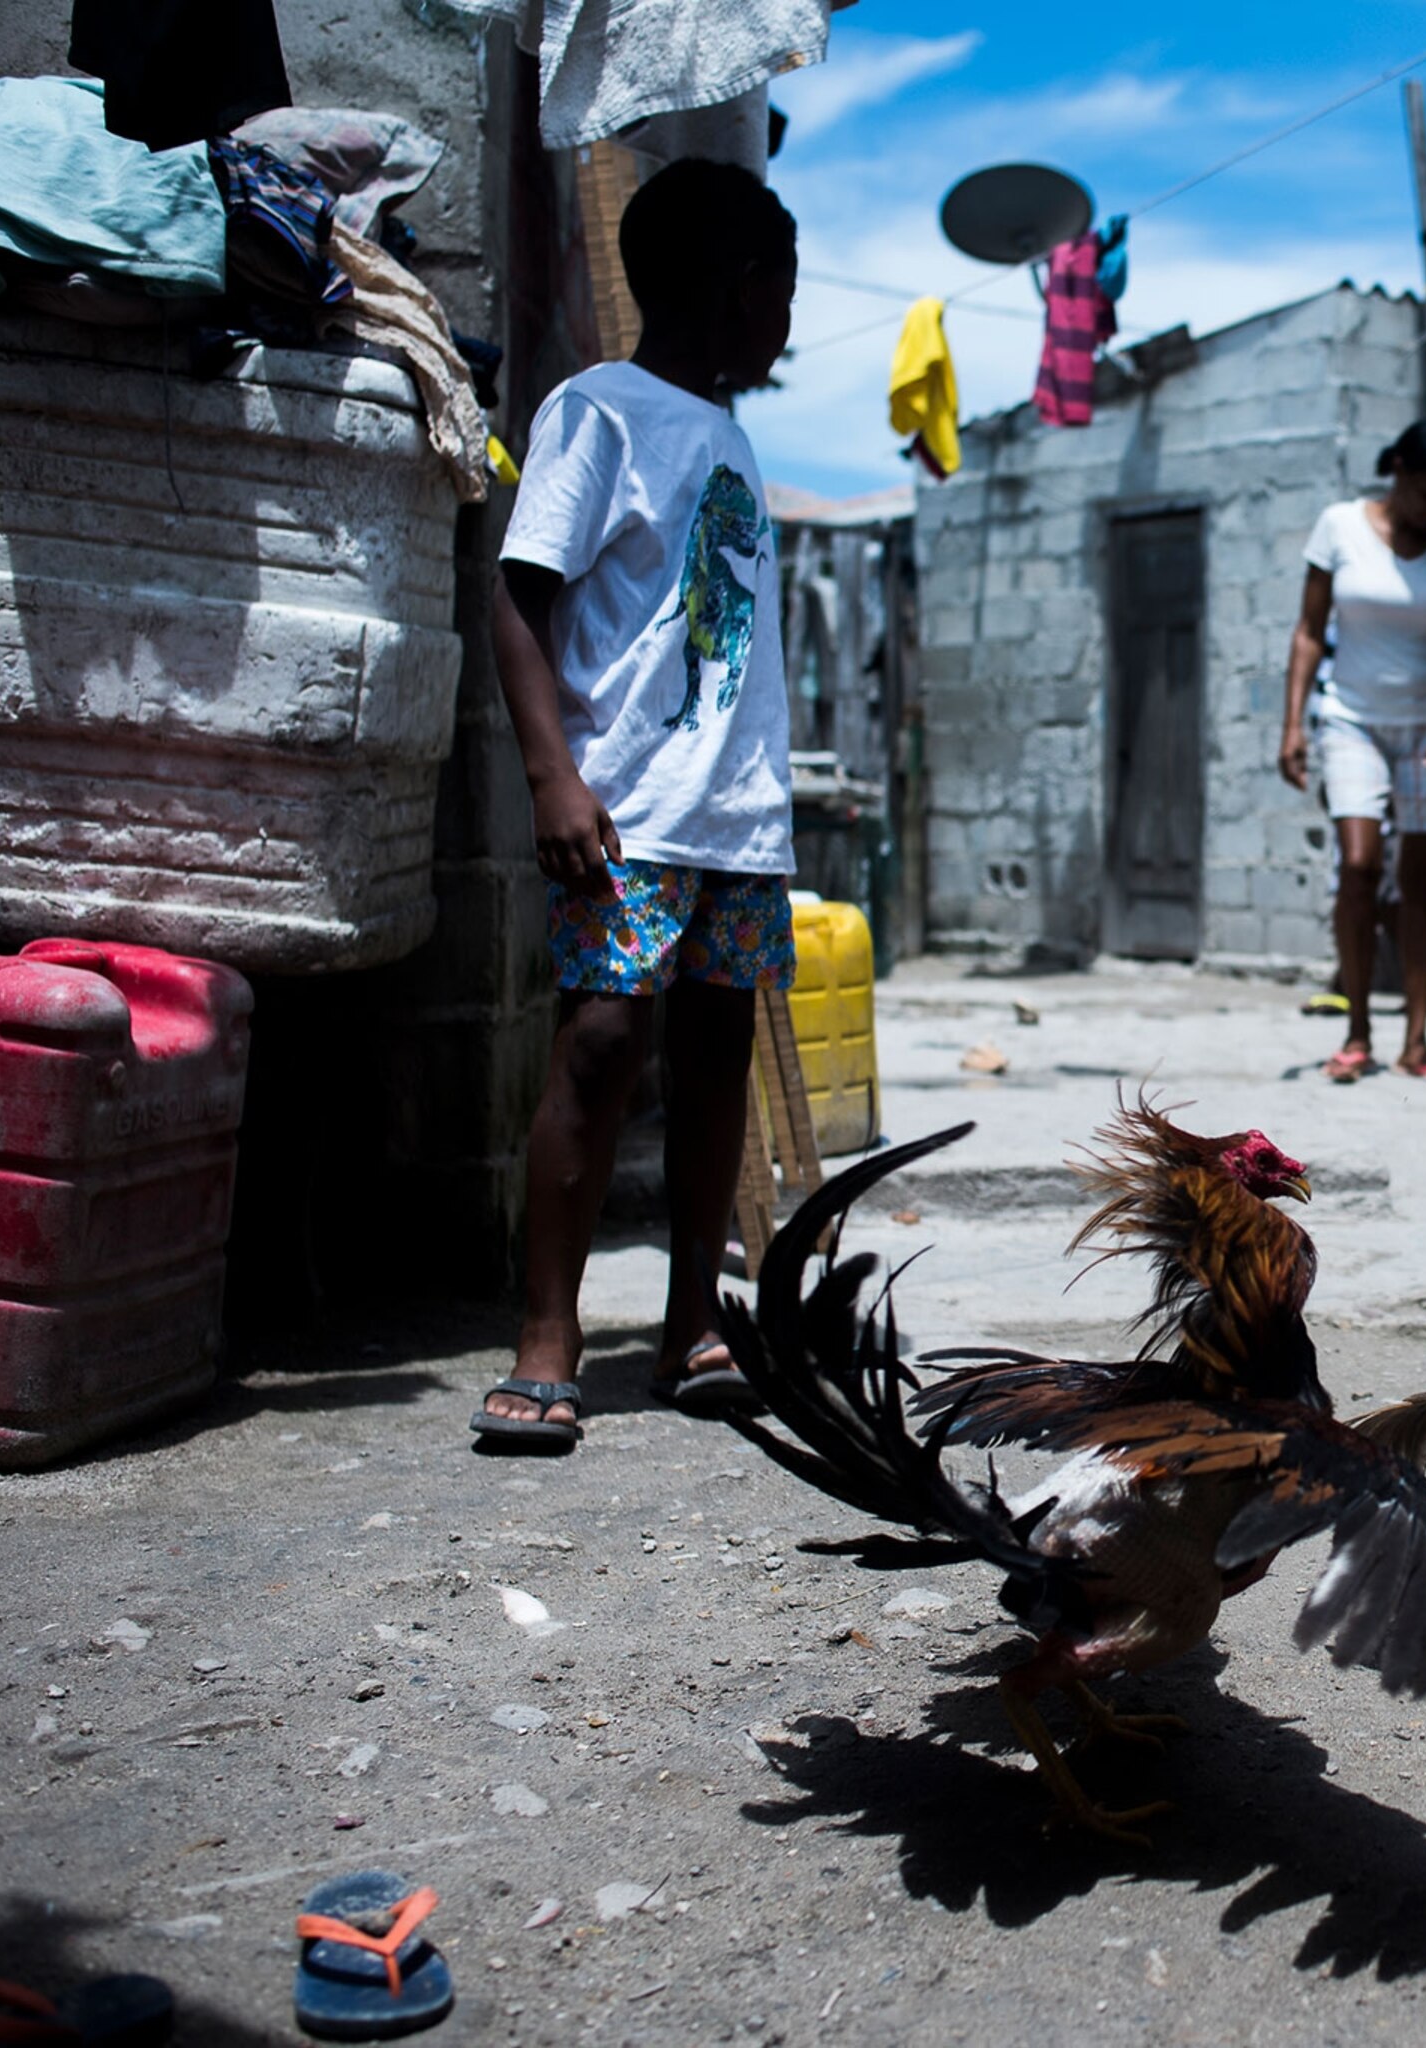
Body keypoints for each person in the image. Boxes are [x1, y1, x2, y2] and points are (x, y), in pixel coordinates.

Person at [469, 157, 799, 1452]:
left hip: (735, 818)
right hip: (629, 811)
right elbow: (520, 596)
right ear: (732, 293)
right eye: (780, 293)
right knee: (603, 1047)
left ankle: (688, 1327)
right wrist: (553, 773)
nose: (786, 321)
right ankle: (546, 1335)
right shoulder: (599, 411)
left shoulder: (732, 438)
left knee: (718, 1060)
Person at [1279, 418, 1426, 1084]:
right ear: (1397, 469)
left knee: (1421, 885)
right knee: (1359, 863)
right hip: (1352, 721)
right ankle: (1356, 1034)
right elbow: (1310, 631)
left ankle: (1417, 1042)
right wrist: (1293, 725)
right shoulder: (1338, 526)